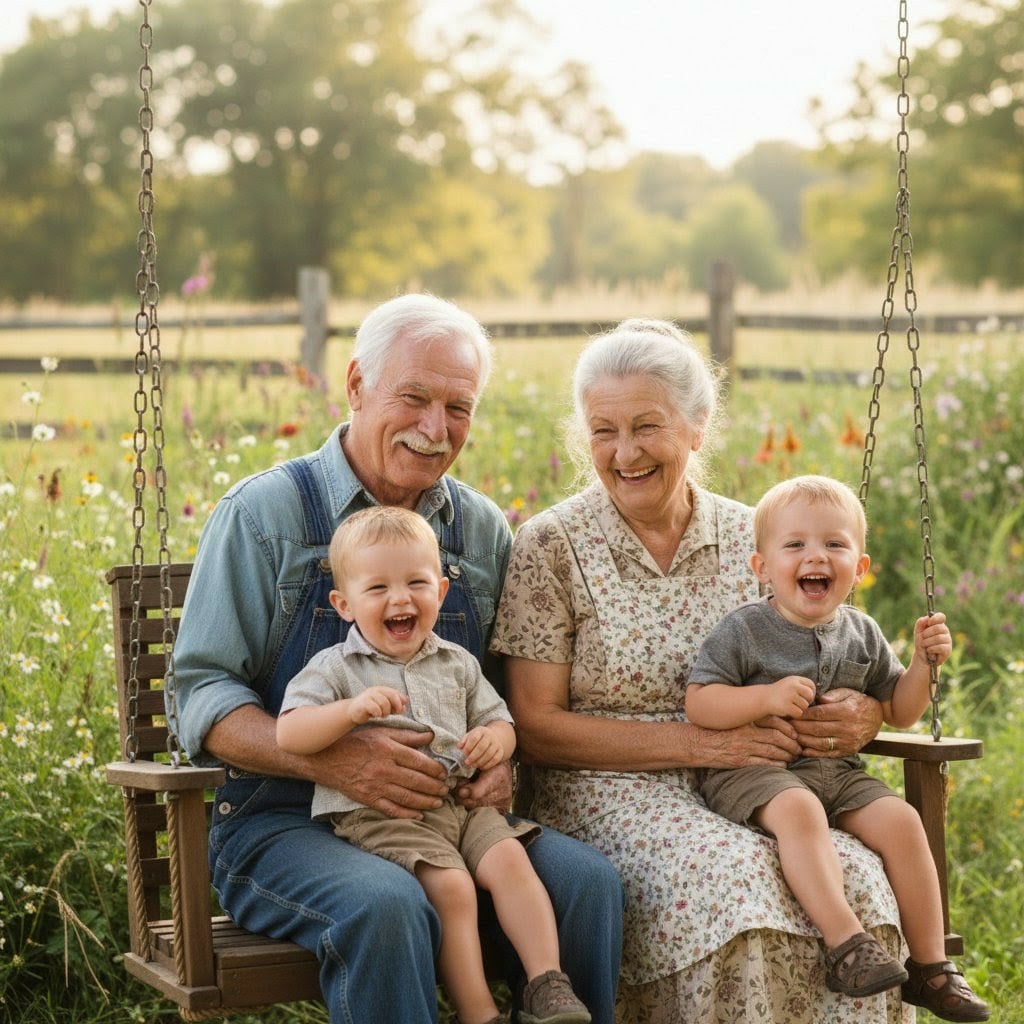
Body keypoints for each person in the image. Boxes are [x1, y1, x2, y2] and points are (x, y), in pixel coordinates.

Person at [170, 293, 623, 1024]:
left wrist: (499, 756)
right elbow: (200, 696)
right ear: (356, 385)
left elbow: (498, 693)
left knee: (588, 884)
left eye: (458, 407)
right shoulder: (265, 516)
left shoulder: (479, 531)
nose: (435, 429)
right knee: (387, 903)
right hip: (284, 822)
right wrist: (334, 761)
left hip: (448, 813)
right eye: (413, 398)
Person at [490, 318, 907, 1024]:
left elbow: (837, 650)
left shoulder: (757, 535)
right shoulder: (553, 545)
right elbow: (535, 726)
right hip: (609, 796)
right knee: (737, 888)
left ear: (697, 428)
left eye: (647, 427)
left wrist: (862, 714)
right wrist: (706, 744)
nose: (625, 452)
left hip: (762, 786)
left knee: (860, 878)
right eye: (603, 431)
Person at [685, 475, 989, 1022]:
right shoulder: (745, 630)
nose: (815, 556)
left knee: (902, 821)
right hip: (758, 772)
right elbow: (700, 703)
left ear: (860, 567)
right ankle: (846, 944)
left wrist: (923, 665)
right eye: (795, 544)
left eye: (834, 543)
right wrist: (763, 698)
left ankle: (931, 967)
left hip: (838, 773)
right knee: (800, 811)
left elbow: (899, 709)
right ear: (762, 567)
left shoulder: (862, 631)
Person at [277, 506, 591, 1024]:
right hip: (385, 816)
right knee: (453, 888)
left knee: (512, 863)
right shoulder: (334, 669)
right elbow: (290, 734)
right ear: (344, 605)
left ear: (441, 592)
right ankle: (478, 1012)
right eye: (378, 588)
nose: (400, 599)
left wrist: (493, 742)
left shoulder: (457, 662)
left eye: (416, 583)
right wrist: (348, 712)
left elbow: (501, 722)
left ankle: (546, 984)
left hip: (462, 807)